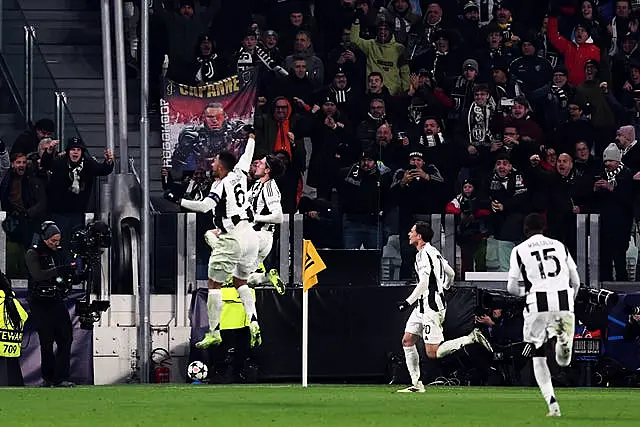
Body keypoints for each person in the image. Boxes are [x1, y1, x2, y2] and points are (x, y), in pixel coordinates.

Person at [164, 136, 261, 348]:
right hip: (250, 236)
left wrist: (178, 200)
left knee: (213, 285)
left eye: (215, 162)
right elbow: (248, 155)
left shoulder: (221, 183)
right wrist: (251, 137)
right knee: (240, 282)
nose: (212, 164)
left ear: (222, 166)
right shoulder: (240, 173)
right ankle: (253, 320)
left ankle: (214, 332)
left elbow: (205, 206)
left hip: (232, 237)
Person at [396, 221, 493, 393]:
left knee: (433, 353)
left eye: (411, 232)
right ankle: (416, 384)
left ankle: (471, 338)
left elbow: (425, 282)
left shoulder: (425, 253)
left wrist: (407, 302)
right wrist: (445, 287)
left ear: (419, 236)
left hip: (431, 306)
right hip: (424, 305)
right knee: (407, 339)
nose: (409, 234)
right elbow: (451, 272)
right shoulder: (434, 252)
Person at [506, 213, 581, 417]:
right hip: (564, 301)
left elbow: (511, 286)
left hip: (537, 302)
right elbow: (576, 282)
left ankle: (552, 405)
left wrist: (525, 294)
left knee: (537, 354)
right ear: (544, 227)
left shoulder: (519, 250)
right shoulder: (559, 245)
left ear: (525, 229)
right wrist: (569, 301)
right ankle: (562, 344)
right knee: (564, 361)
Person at [25, 221, 77, 387]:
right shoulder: (32, 253)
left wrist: (72, 272)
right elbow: (38, 275)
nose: (56, 244)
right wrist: (60, 270)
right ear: (45, 238)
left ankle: (60, 377)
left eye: (58, 240)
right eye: (53, 241)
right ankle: (48, 378)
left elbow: (66, 274)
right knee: (46, 341)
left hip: (55, 298)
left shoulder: (58, 253)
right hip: (39, 301)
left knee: (65, 337)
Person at [245, 154, 286, 293]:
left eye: (261, 164)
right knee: (244, 279)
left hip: (260, 236)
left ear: (267, 170)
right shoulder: (257, 185)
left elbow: (279, 217)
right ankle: (267, 277)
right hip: (255, 236)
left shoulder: (270, 188)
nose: (257, 165)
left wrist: (256, 217)